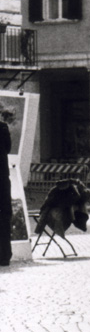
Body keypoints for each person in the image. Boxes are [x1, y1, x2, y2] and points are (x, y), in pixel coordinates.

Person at [0, 106, 11, 266]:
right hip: (1, 177)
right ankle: (4, 255)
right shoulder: (2, 128)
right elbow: (7, 148)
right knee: (3, 215)